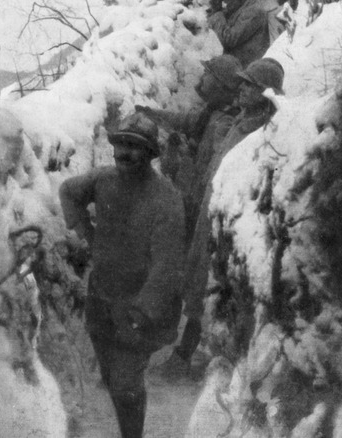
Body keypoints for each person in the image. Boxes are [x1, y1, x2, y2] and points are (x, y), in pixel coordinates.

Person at [59, 112, 185, 437]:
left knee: (126, 383)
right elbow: (69, 192)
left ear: (150, 153)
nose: (125, 153)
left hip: (139, 305)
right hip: (101, 298)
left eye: (135, 147)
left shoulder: (165, 199)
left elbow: (167, 267)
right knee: (112, 374)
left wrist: (142, 311)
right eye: (120, 145)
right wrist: (87, 231)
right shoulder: (103, 180)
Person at [136, 54, 244, 378]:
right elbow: (185, 120)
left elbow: (217, 167)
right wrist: (153, 114)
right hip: (194, 204)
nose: (202, 78)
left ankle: (185, 355)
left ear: (223, 86)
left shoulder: (225, 123)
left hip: (205, 210)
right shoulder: (213, 113)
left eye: (209, 75)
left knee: (198, 281)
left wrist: (184, 157)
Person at [180, 57, 284, 366]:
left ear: (265, 93)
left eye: (248, 85)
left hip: (232, 219)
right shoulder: (240, 119)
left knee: (217, 284)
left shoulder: (267, 131)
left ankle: (197, 354)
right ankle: (191, 350)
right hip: (211, 210)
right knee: (200, 277)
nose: (240, 88)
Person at [207, 0, 285, 67]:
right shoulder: (242, 6)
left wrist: (217, 11)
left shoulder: (255, 10)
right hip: (231, 64)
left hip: (241, 69)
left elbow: (229, 39)